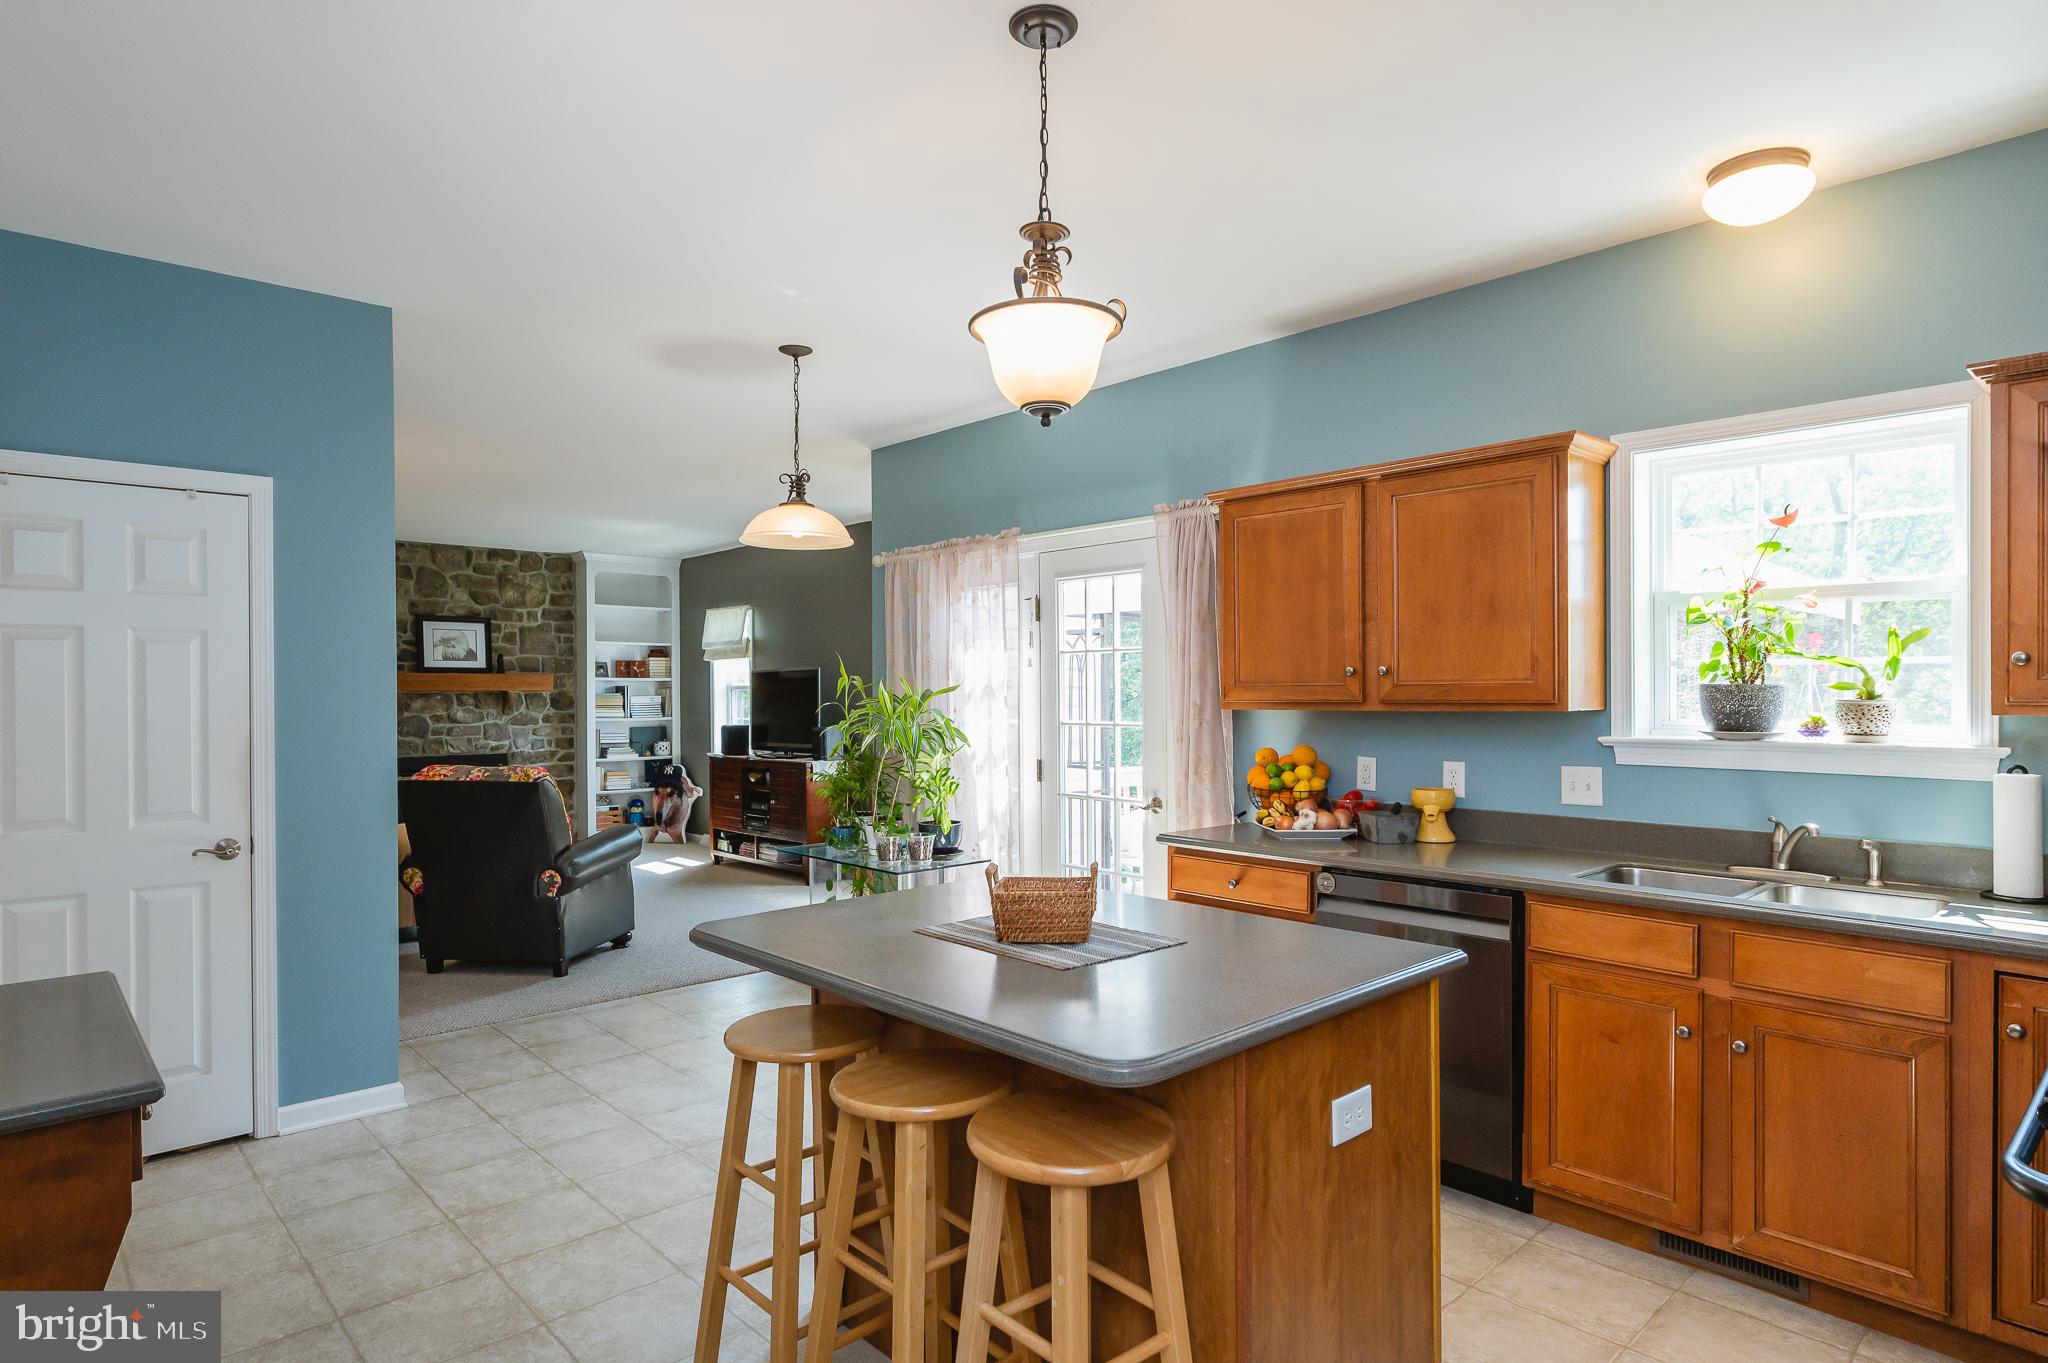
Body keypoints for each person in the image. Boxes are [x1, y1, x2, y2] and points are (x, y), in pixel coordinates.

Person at [647, 761, 699, 845]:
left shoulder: (682, 800)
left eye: (670, 793)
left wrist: (688, 788)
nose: (661, 801)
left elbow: (683, 781)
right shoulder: (656, 798)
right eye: (657, 793)